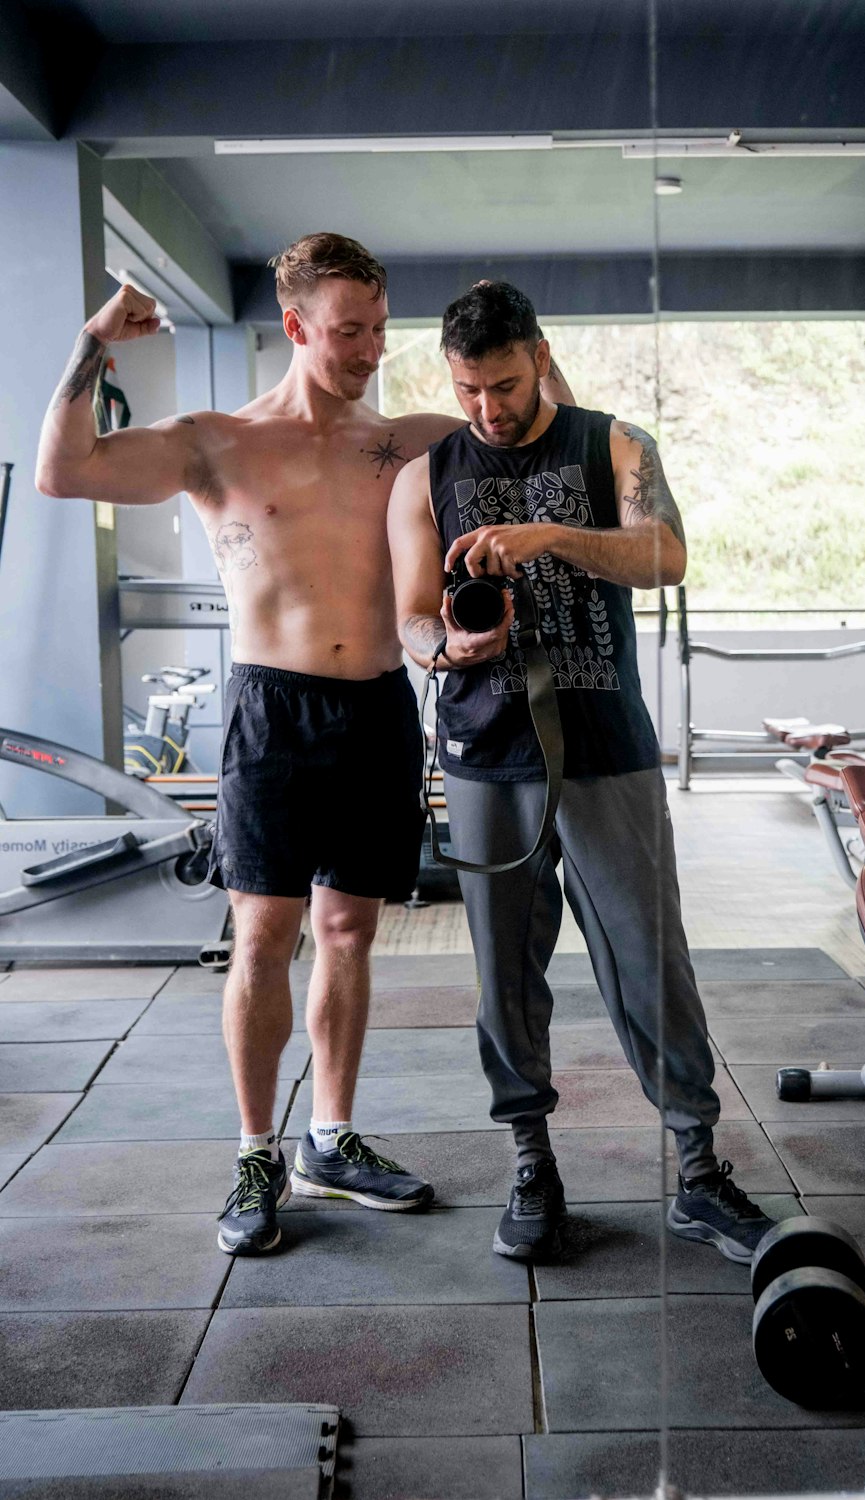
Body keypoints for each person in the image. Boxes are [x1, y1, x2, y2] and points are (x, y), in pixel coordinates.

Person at [35, 237, 572, 1257]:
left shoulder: (410, 442)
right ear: (294, 328)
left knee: (348, 934)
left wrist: (521, 331)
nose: (370, 348)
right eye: (348, 332)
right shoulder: (216, 441)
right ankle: (254, 1151)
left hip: (378, 706)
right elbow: (65, 472)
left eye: (378, 327)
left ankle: (329, 1137)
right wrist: (92, 345)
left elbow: (543, 438)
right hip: (271, 710)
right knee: (265, 936)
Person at [388, 280, 774, 1266]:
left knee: (650, 959)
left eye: (505, 384)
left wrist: (551, 536)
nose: (487, 408)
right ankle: (531, 1163)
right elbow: (410, 614)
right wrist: (447, 649)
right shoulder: (422, 475)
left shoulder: (614, 445)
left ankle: (697, 1169)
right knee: (503, 975)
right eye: (469, 389)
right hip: (485, 758)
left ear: (540, 355)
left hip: (607, 748)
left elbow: (667, 555)